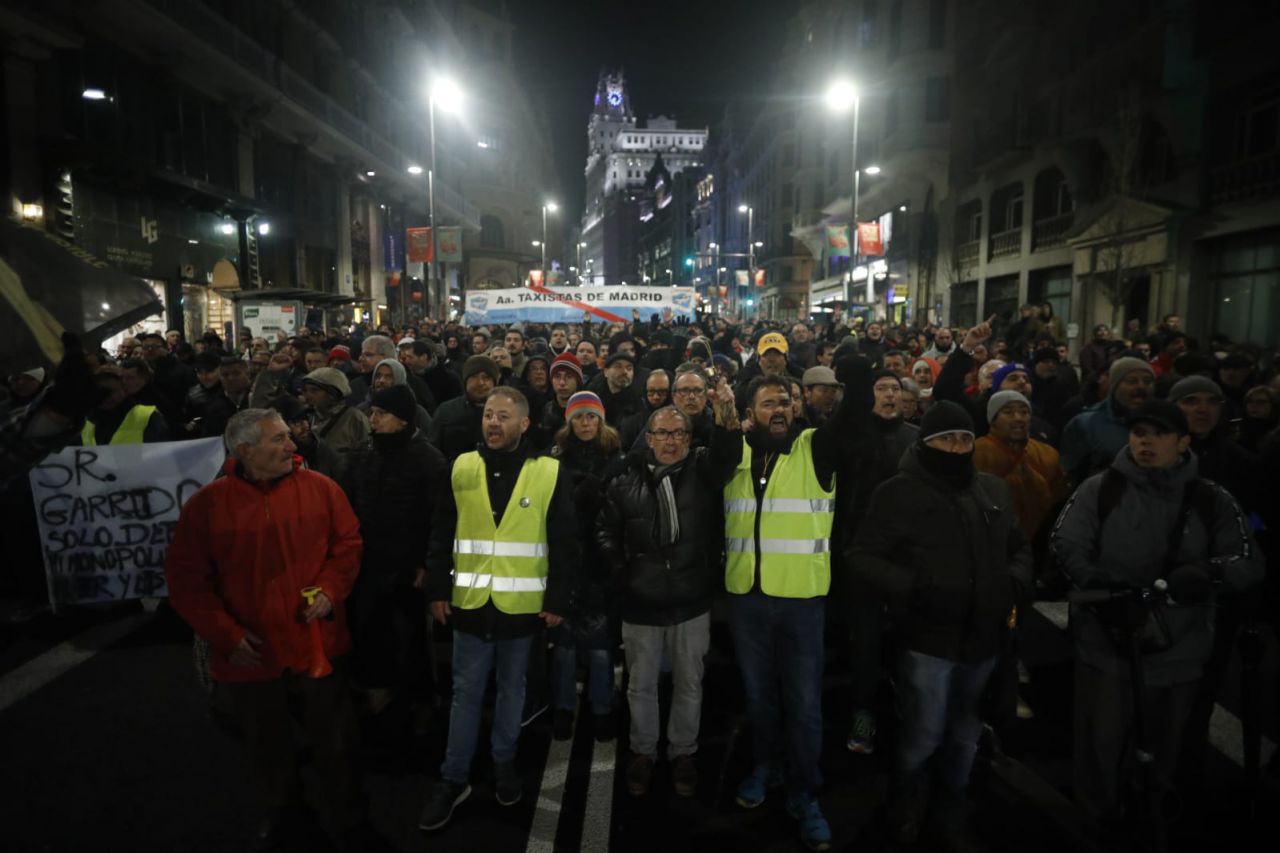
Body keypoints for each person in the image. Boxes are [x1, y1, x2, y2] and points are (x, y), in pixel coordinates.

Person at [165, 408, 376, 850]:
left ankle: (351, 821)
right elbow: (186, 581)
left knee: (336, 742)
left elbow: (348, 544)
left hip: (316, 645)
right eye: (278, 439)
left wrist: (331, 591)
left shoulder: (321, 489)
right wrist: (226, 635)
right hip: (252, 654)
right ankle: (287, 820)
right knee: (268, 746)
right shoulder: (206, 507)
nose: (291, 446)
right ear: (245, 450)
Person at [1050, 400, 1263, 826]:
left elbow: (1246, 559)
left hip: (1179, 649)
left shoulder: (1211, 498)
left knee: (1165, 744)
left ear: (1183, 442)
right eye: (1138, 433)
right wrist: (1100, 587)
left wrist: (1207, 573)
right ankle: (1097, 820)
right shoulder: (1099, 489)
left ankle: (1151, 814)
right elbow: (1065, 542)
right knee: (1102, 741)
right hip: (1109, 646)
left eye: (1158, 434)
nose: (1145, 442)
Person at [851, 402, 1031, 847]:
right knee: (924, 733)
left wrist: (1010, 584)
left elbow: (1019, 546)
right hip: (928, 642)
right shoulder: (897, 493)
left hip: (983, 640)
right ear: (925, 444)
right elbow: (862, 556)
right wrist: (914, 587)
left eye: (964, 439)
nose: (956, 447)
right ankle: (905, 802)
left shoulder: (991, 489)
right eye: (945, 439)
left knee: (966, 733)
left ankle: (951, 804)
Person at [714, 354, 875, 852]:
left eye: (785, 401)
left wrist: (854, 368)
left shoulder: (816, 448)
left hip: (802, 602)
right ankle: (766, 767)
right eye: (767, 403)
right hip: (747, 600)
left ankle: (805, 792)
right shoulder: (736, 453)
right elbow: (712, 465)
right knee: (760, 698)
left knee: (804, 705)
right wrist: (722, 420)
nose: (779, 409)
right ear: (750, 413)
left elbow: (855, 417)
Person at [419, 387, 580, 831]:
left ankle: (503, 764)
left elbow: (565, 541)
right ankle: (454, 777)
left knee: (512, 691)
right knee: (465, 694)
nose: (493, 422)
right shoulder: (461, 467)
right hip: (470, 603)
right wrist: (438, 588)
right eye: (489, 414)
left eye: (503, 416)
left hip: (521, 607)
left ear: (524, 424)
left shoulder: (548, 472)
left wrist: (557, 599)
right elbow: (442, 530)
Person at [597, 403, 722, 797]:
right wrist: (623, 576)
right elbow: (605, 533)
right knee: (641, 685)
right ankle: (643, 751)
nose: (671, 441)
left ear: (690, 438)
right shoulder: (624, 480)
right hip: (641, 602)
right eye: (663, 433)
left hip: (691, 599)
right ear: (648, 438)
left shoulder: (704, 474)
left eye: (679, 433)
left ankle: (683, 752)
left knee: (689, 683)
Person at [340, 385, 447, 735]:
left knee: (410, 638)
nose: (373, 419)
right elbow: (347, 503)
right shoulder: (362, 454)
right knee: (370, 632)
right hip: (368, 563)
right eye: (373, 413)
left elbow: (437, 518)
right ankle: (378, 697)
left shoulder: (428, 460)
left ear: (402, 419)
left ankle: (419, 703)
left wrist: (425, 564)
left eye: (381, 414)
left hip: (407, 568)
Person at [547, 391, 625, 743]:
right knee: (564, 647)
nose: (585, 423)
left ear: (601, 420)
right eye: (578, 417)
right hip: (567, 562)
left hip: (602, 563)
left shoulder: (616, 458)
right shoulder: (555, 460)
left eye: (591, 416)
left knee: (600, 646)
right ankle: (564, 708)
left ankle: (602, 708)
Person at [1060, 357, 1156, 484]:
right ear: (1115, 385)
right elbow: (1070, 472)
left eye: (1147, 381)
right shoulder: (1087, 424)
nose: (1141, 386)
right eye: (1132, 381)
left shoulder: (1163, 422)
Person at [428, 355, 498, 463]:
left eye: (486, 377)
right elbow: (433, 450)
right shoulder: (446, 411)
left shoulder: (505, 413)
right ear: (465, 381)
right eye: (474, 376)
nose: (480, 383)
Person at [80, 364, 169, 445]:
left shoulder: (145, 416)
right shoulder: (86, 422)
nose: (106, 397)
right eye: (100, 392)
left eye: (111, 391)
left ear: (124, 389)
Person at [268, 396, 343, 479]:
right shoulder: (272, 463)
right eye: (297, 422)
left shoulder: (320, 448)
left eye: (306, 418)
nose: (306, 426)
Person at [302, 368, 370, 453]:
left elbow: (367, 452)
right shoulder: (305, 416)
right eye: (305, 390)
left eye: (314, 390)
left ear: (333, 393)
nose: (308, 395)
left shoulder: (355, 419)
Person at [356, 358, 432, 436]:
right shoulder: (362, 410)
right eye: (378, 376)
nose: (381, 380)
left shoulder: (416, 413)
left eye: (388, 377)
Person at [586, 350, 641, 426]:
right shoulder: (592, 397)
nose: (625, 372)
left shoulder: (637, 401)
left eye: (629, 368)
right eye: (618, 367)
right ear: (606, 372)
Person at [619, 369, 672, 449]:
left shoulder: (679, 419)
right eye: (651, 391)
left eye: (662, 392)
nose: (656, 397)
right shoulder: (631, 420)